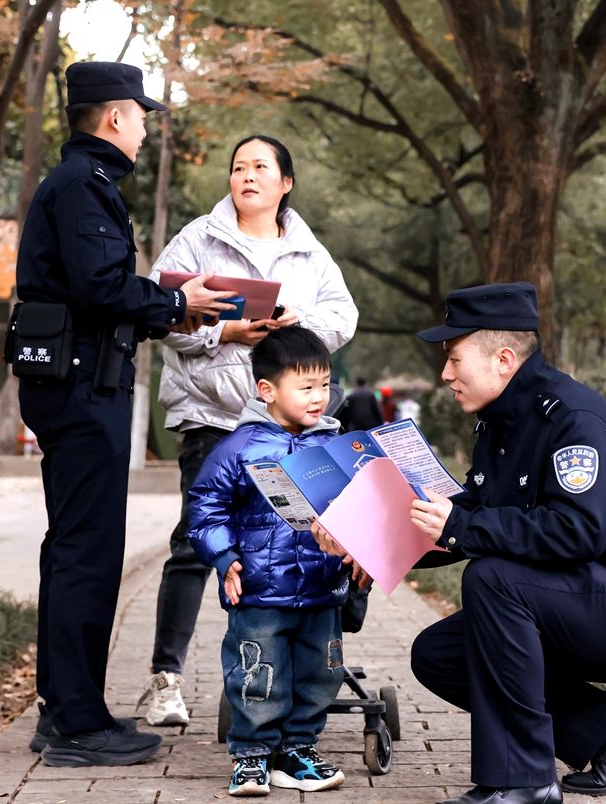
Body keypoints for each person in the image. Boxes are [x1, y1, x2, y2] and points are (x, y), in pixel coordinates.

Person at [314, 282, 606, 804]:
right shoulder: (502, 422)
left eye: (453, 359)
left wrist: (459, 525)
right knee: (441, 654)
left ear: (503, 359)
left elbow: (576, 532)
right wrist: (372, 544)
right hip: (584, 596)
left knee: (493, 580)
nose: (445, 375)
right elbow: (472, 516)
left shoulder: (573, 421)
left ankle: (523, 780)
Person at [15, 61, 235, 767]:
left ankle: (65, 710)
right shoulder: (84, 187)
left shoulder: (85, 185)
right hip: (83, 391)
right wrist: (177, 304)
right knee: (87, 553)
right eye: (140, 116)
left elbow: (98, 288)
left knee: (74, 549)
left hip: (80, 386)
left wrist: (169, 306)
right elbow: (103, 287)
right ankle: (78, 723)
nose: (143, 129)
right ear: (114, 118)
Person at [138, 134, 358, 726]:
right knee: (193, 543)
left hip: (290, 432)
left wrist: (293, 327)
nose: (247, 176)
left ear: (285, 182)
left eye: (261, 167)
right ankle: (165, 679)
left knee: (303, 534)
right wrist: (225, 334)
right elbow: (161, 317)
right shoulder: (197, 239)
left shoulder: (309, 252)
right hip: (214, 419)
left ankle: (285, 668)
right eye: (238, 167)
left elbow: (344, 316)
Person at [188, 326, 357, 796]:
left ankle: (298, 750)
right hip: (260, 589)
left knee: (321, 673)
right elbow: (205, 507)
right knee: (258, 671)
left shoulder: (335, 448)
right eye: (305, 387)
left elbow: (357, 508)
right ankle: (252, 755)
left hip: (323, 589)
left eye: (324, 384)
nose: (319, 397)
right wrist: (223, 557)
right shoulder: (240, 449)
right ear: (267, 390)